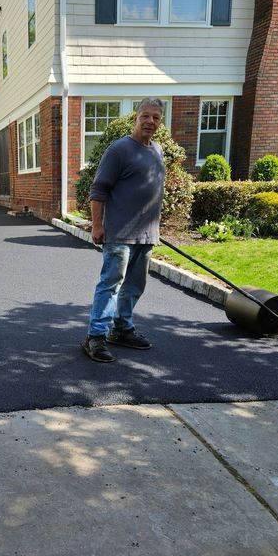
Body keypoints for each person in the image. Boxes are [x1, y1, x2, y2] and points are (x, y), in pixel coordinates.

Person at [81, 98, 166, 363]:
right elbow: (99, 189)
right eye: (145, 116)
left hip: (146, 235)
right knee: (111, 285)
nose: (150, 121)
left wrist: (155, 227)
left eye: (156, 118)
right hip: (119, 234)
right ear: (135, 118)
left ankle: (122, 329)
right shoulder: (118, 150)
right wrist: (97, 224)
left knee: (134, 286)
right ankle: (95, 336)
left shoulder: (158, 151)